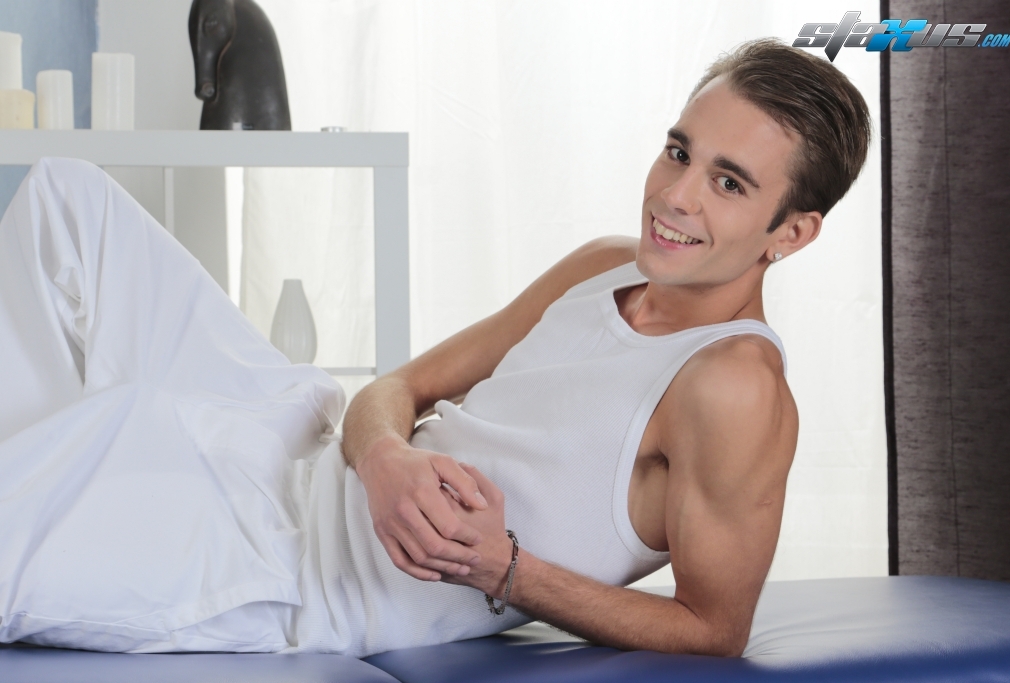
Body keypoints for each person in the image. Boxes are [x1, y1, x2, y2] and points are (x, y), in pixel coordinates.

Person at [0, 38, 869, 657]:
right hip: (296, 444)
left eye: (727, 182)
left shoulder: (733, 385)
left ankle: (60, 478)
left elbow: (713, 628)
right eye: (678, 151)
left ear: (791, 232)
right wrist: (384, 456)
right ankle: (54, 467)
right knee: (67, 201)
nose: (675, 196)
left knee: (112, 433)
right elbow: (399, 387)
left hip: (292, 571)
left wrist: (503, 568)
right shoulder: (605, 267)